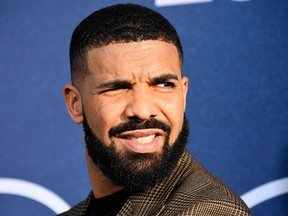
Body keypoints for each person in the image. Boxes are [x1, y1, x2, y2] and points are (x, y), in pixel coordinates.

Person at [60, 3, 251, 216]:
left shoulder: (211, 211)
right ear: (75, 104)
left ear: (183, 93)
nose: (142, 110)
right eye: (116, 88)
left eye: (164, 85)